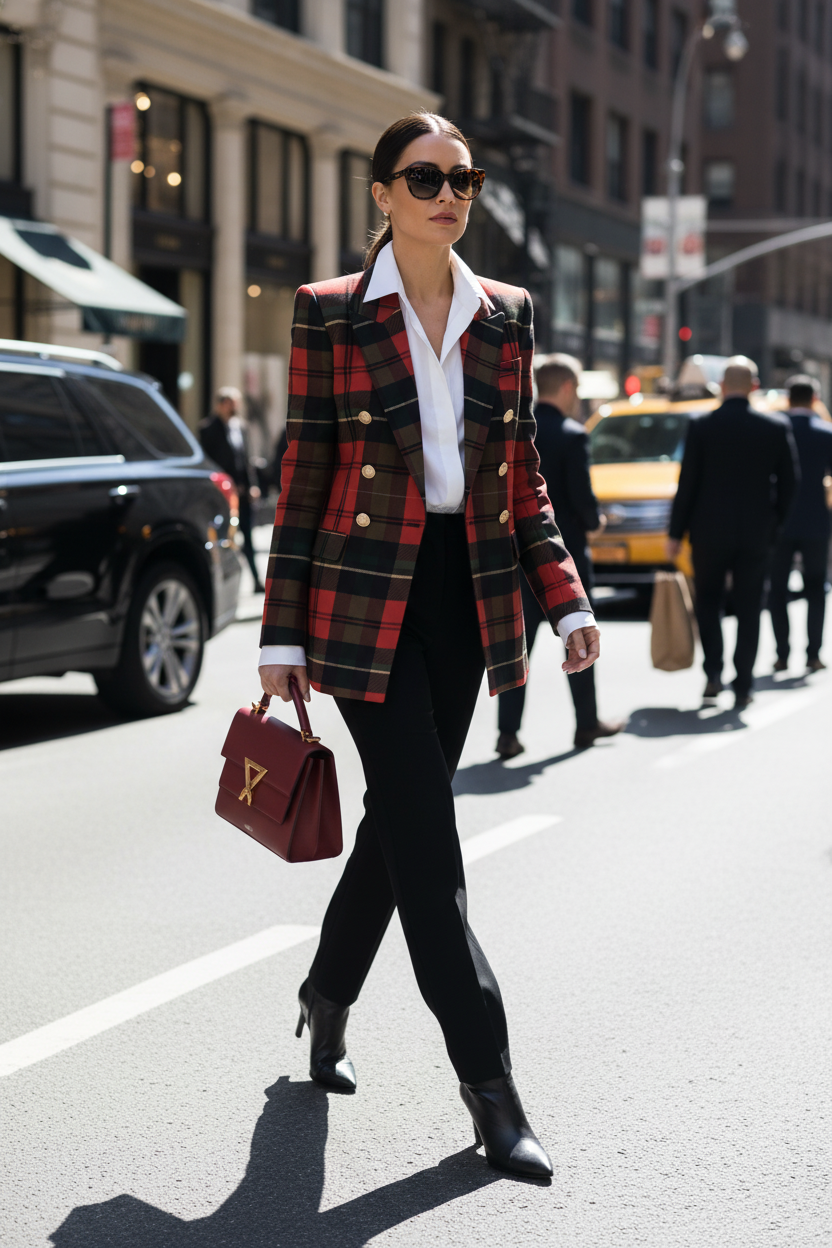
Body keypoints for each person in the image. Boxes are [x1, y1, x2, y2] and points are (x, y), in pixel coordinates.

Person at [258, 112, 600, 1179]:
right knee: (429, 832)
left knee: (396, 823)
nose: (448, 194)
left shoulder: (507, 313)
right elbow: (305, 474)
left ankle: (326, 991)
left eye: (464, 179)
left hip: (469, 593)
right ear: (381, 194)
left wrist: (568, 601)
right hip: (362, 596)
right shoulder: (328, 315)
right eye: (424, 177)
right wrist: (278, 630)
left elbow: (523, 474)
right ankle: (490, 1087)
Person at [496, 353, 624, 756]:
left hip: (516, 558)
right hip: (562, 560)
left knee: (519, 652)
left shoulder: (515, 431)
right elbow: (583, 501)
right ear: (567, 388)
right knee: (579, 640)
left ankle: (507, 734)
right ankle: (586, 724)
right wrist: (597, 520)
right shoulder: (573, 434)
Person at [667, 356, 797, 709]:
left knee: (708, 602)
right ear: (754, 387)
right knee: (750, 606)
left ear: (722, 387)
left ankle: (713, 674)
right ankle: (743, 683)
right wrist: (776, 524)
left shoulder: (701, 426)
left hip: (708, 531)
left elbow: (687, 484)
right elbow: (790, 484)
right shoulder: (774, 427)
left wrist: (675, 533)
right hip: (756, 533)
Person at [768, 375, 832, 673]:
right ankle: (813, 654)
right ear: (814, 399)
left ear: (788, 399)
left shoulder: (775, 428)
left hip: (777, 522)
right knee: (816, 587)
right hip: (816, 520)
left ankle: (782, 653)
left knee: (777, 589)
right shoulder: (826, 433)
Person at [200, 386, 265, 593]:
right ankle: (223, 585)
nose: (234, 407)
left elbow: (247, 461)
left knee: (248, 537)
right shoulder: (207, 429)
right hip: (222, 494)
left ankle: (256, 580)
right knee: (224, 538)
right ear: (221, 404)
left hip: (244, 494)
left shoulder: (242, 427)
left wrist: (253, 486)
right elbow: (208, 462)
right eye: (231, 403)